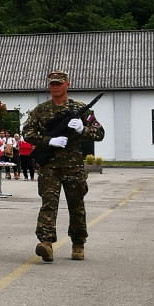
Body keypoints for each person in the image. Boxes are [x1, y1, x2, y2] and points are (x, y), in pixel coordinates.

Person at [23, 70, 105, 263]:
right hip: (49, 166)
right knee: (48, 204)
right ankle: (45, 242)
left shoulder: (81, 109)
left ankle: (78, 243)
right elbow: (27, 133)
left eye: (58, 83)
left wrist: (82, 129)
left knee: (76, 205)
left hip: (73, 166)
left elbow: (100, 133)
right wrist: (49, 141)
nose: (55, 87)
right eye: (52, 83)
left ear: (67, 84)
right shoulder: (40, 110)